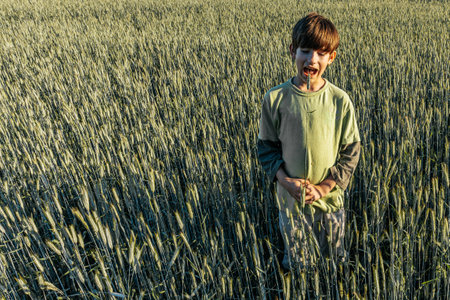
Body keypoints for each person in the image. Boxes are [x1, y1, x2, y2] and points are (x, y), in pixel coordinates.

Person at [257, 12, 361, 270]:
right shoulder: (275, 99)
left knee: (332, 265)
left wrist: (325, 187)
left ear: (331, 57)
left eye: (321, 53)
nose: (312, 59)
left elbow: (351, 152)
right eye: (305, 50)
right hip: (291, 206)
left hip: (330, 204)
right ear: (293, 51)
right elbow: (266, 149)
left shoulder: (340, 100)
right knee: (299, 266)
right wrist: (285, 181)